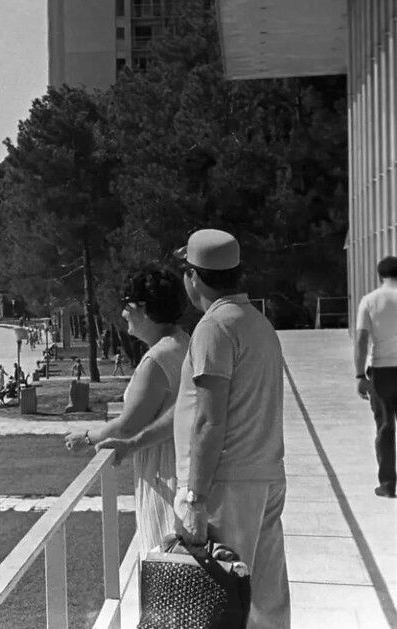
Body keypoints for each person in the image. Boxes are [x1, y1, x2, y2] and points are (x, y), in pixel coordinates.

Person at [172, 228, 289, 628]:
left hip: (229, 483)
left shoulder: (214, 327)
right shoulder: (258, 323)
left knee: (220, 601)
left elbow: (210, 419)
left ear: (194, 276)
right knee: (265, 603)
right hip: (266, 474)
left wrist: (195, 499)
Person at [59, 268, 190, 557]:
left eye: (127, 305)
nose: (122, 313)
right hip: (181, 469)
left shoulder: (157, 359)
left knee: (162, 560)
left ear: (145, 308)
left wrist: (86, 437)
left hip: (163, 475)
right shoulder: (183, 343)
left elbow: (128, 426)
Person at [354, 255, 397, 497]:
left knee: (385, 427)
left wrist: (360, 374)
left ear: (379, 276)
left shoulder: (370, 301)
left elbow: (361, 340)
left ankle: (388, 484)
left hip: (382, 371)